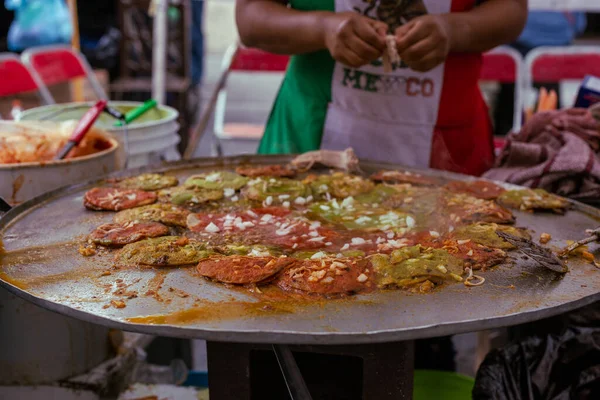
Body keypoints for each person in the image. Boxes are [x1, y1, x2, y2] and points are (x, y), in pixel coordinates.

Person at [236, 0, 527, 177]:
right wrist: (322, 27)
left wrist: (454, 30)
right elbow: (250, 17)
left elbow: (512, 8)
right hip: (311, 132)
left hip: (448, 142)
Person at [494, 11, 587, 136]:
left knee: (512, 107)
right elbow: (579, 22)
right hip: (541, 41)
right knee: (549, 116)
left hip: (526, 39)